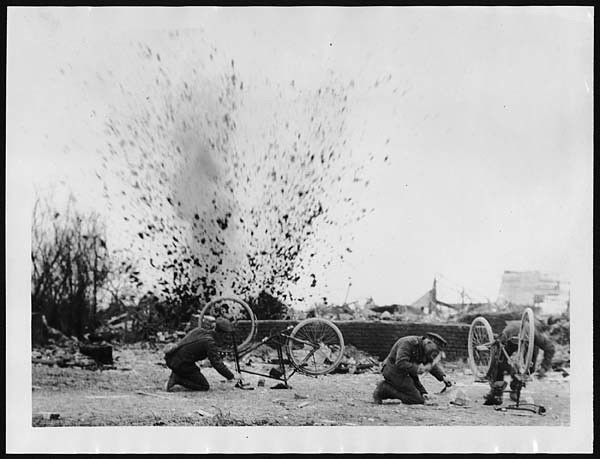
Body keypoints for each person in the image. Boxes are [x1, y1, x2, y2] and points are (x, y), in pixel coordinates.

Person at [483, 319, 556, 405]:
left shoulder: (535, 335)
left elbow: (550, 348)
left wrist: (544, 367)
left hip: (527, 340)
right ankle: (497, 390)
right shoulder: (511, 331)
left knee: (528, 367)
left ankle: (515, 388)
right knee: (499, 361)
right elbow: (499, 346)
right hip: (510, 337)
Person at [373, 332, 453, 405]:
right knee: (416, 399)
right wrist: (417, 368)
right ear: (429, 342)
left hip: (407, 373)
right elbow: (401, 362)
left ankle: (390, 388)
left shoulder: (426, 348)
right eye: (435, 350)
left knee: (423, 395)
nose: (434, 353)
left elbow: (431, 364)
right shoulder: (407, 343)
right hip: (393, 371)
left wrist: (443, 377)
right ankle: (383, 389)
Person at [164, 318, 237, 392]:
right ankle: (177, 379)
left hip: (171, 358)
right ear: (222, 334)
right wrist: (231, 377)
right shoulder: (210, 343)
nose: (226, 339)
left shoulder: (199, 331)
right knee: (203, 386)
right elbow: (216, 363)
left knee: (193, 370)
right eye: (226, 336)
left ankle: (178, 373)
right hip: (180, 363)